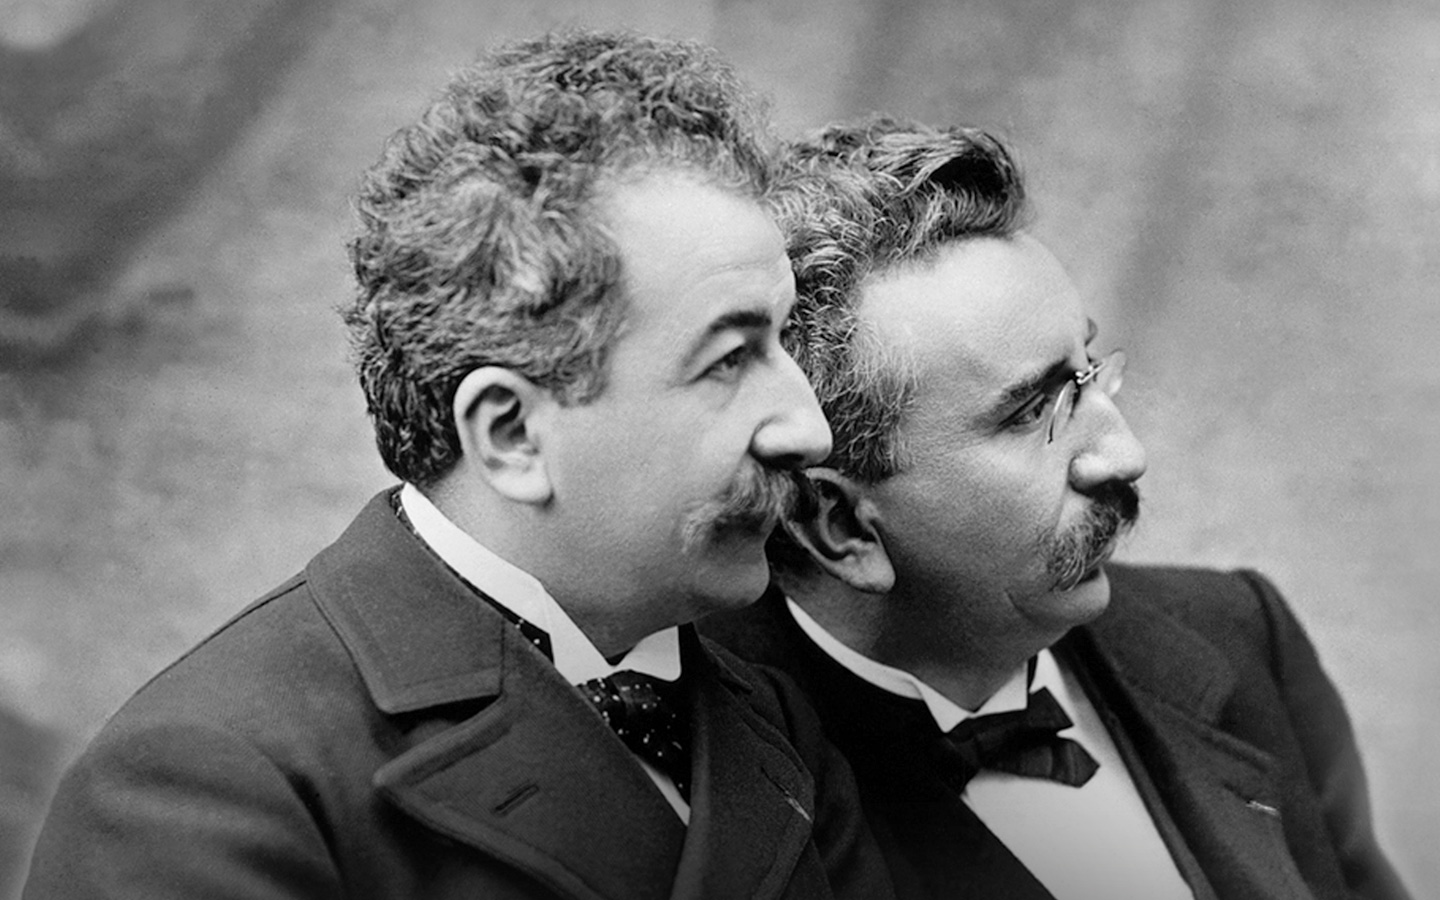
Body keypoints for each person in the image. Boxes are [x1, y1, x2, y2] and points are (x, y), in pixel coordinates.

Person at [23, 31, 896, 900]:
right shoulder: (209, 787)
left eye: (782, 342)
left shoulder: (776, 727)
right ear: (511, 435)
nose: (809, 430)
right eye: (729, 360)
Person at [701, 117, 1411, 900]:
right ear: (840, 527)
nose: (1124, 454)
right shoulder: (713, 779)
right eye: (1032, 412)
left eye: (1089, 372)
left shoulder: (1239, 632)